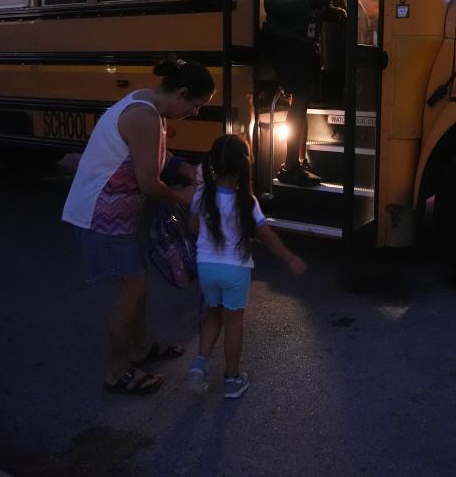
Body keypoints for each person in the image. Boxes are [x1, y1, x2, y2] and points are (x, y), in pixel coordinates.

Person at [62, 57, 215, 395]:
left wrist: (185, 168)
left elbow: (152, 153)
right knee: (132, 291)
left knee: (138, 285)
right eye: (196, 106)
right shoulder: (145, 117)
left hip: (114, 213)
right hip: (100, 216)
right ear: (183, 93)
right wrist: (184, 197)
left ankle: (142, 346)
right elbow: (148, 183)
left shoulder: (148, 104)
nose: (196, 113)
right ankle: (117, 372)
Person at [184, 134, 307, 398]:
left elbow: (193, 227)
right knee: (234, 323)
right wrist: (290, 258)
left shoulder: (200, 194)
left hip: (206, 266)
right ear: (244, 166)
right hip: (235, 270)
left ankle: (199, 364)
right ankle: (232, 379)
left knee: (211, 314)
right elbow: (268, 238)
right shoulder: (247, 202)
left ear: (213, 164)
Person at [262, 0, 344, 187]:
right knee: (298, 102)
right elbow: (272, 5)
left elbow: (318, 7)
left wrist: (334, 12)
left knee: (304, 102)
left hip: (309, 44)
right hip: (287, 42)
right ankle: (290, 166)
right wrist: (310, 1)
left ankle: (298, 160)